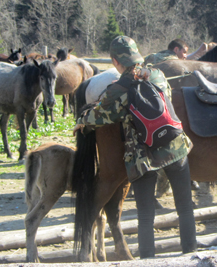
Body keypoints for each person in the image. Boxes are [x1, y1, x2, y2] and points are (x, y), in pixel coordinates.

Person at [73, 36, 197, 259]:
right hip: (175, 145)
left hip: (143, 156)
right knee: (185, 208)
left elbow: (102, 116)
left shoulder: (118, 89)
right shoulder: (157, 75)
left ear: (114, 61)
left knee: (146, 216)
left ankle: (148, 261)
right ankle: (192, 257)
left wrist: (83, 121)